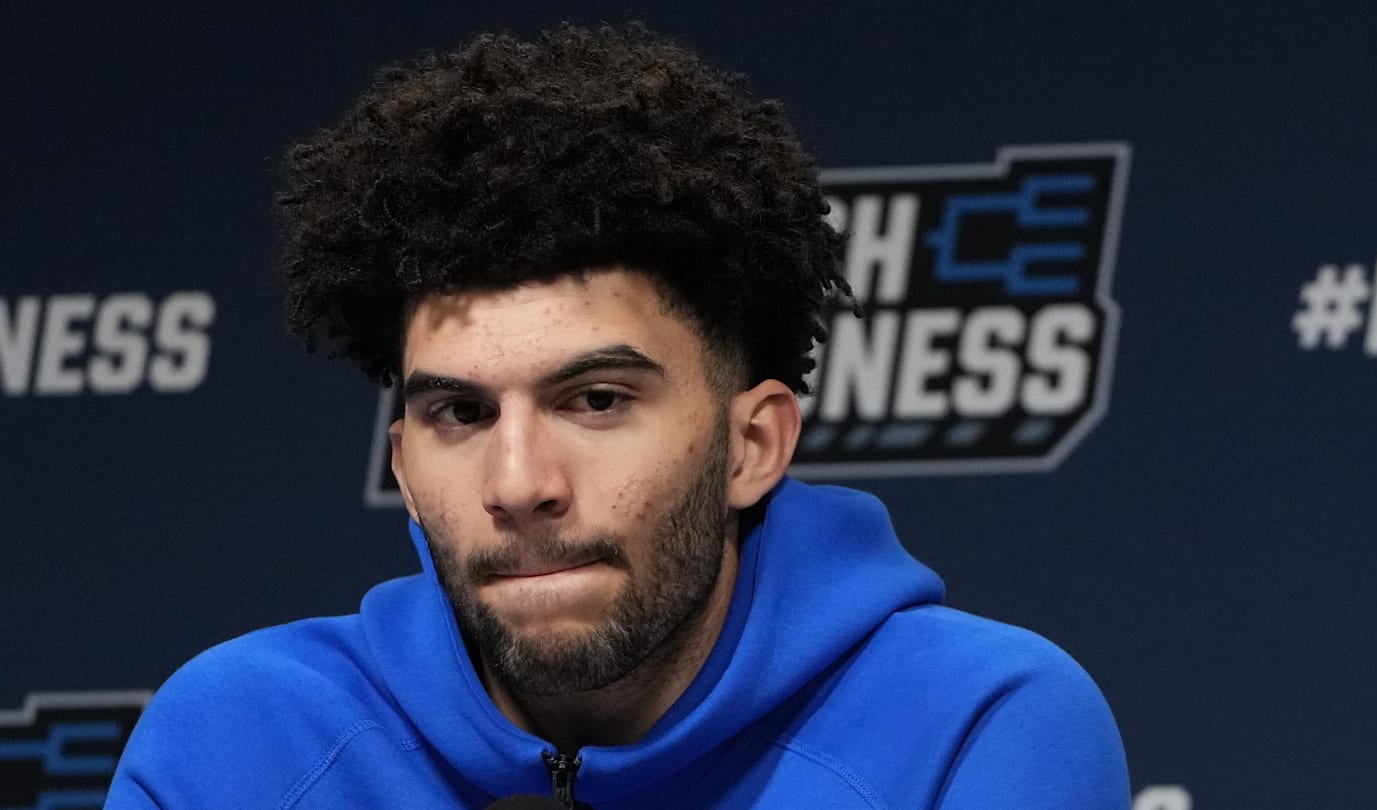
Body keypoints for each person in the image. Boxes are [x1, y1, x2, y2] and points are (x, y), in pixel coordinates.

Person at [107, 23, 1129, 809]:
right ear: (407, 472)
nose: (520, 483)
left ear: (753, 444)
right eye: (460, 413)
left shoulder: (974, 726)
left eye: (595, 401)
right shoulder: (240, 741)